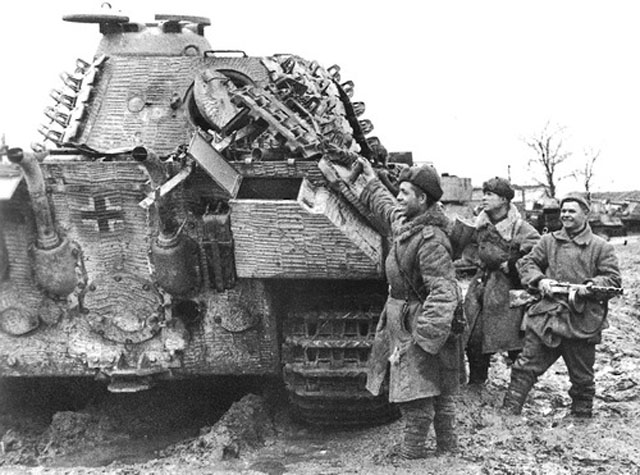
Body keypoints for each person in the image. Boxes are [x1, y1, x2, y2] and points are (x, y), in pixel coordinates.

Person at [355, 157, 463, 459]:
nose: (398, 197)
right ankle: (448, 452)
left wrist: (424, 339)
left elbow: (443, 292)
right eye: (399, 191)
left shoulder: (430, 240)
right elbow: (385, 207)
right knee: (438, 390)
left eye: (404, 192)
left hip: (420, 323)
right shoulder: (407, 222)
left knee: (417, 398)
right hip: (408, 318)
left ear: (422, 198)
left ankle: (411, 459)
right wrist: (370, 179)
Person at [503, 192, 621, 417]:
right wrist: (540, 280)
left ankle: (581, 422)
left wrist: (591, 286)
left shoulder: (601, 247)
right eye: (563, 211)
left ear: (585, 214)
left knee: (582, 378)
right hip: (548, 316)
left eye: (571, 211)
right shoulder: (548, 241)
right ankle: (508, 417)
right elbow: (527, 262)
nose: (565, 215)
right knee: (524, 367)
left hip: (582, 320)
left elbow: (613, 279)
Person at [464, 177, 540, 384]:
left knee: (516, 343)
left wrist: (513, 264)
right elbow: (468, 249)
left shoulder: (519, 227)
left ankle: (520, 390)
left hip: (508, 292)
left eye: (490, 194)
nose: (484, 198)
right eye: (484, 193)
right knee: (474, 338)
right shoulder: (480, 225)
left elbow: (538, 252)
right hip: (482, 287)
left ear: (505, 199)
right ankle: (478, 385)